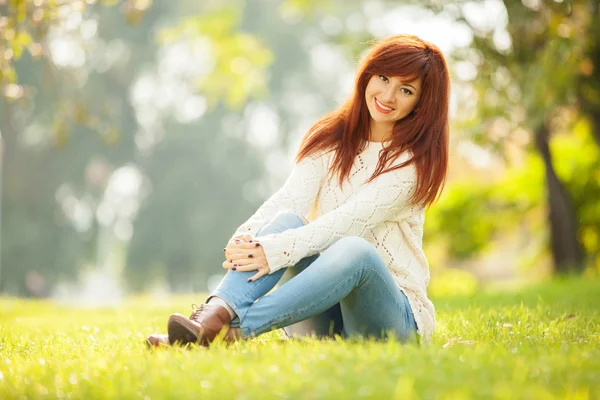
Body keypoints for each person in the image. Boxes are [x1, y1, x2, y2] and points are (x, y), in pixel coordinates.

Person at [146, 34, 450, 348]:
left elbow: (347, 222)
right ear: (368, 75)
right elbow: (289, 198)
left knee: (354, 250)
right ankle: (211, 316)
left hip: (392, 323)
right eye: (384, 78)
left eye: (406, 89)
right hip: (328, 318)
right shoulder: (332, 140)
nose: (388, 95)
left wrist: (274, 250)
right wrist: (248, 237)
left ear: (421, 102)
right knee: (286, 219)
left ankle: (228, 331)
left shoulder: (410, 165)